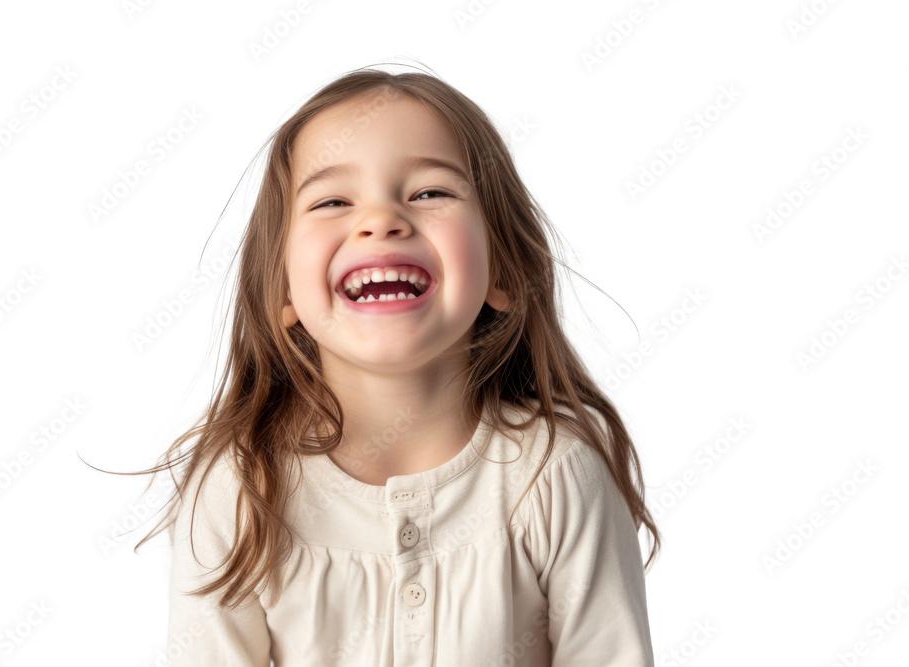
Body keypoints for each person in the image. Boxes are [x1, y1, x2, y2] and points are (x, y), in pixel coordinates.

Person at [138, 62, 661, 666]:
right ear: (283, 289)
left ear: (505, 271)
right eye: (332, 200)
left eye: (430, 193)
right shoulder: (240, 485)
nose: (381, 220)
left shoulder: (555, 473)